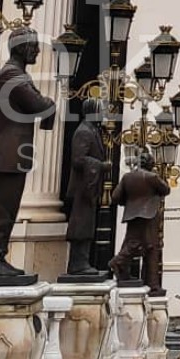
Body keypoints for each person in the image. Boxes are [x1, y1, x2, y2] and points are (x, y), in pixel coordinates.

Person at [0, 29, 57, 280]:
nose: (38, 51)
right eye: (34, 46)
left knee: (7, 210)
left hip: (13, 153)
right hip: (9, 153)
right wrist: (50, 105)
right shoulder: (12, 75)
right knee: (2, 211)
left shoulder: (14, 74)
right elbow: (39, 105)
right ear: (21, 48)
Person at [64, 100, 112, 277]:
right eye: (100, 110)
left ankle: (82, 261)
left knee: (87, 224)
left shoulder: (93, 130)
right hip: (83, 188)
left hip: (89, 187)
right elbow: (78, 159)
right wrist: (101, 165)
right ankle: (77, 263)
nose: (103, 114)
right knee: (81, 225)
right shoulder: (84, 131)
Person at [113, 157, 173, 290]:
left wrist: (129, 203)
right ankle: (152, 283)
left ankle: (122, 269)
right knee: (151, 247)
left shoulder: (127, 177)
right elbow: (166, 190)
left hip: (131, 215)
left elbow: (115, 197)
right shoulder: (152, 177)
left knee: (131, 242)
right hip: (148, 215)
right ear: (150, 164)